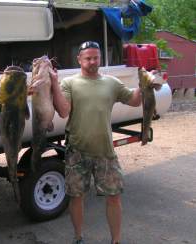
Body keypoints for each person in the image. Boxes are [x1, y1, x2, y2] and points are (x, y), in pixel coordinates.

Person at [50, 41, 142, 244]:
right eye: (88, 58)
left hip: (105, 152)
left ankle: (116, 240)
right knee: (76, 197)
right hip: (77, 151)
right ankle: (78, 237)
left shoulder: (111, 82)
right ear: (79, 60)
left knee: (114, 197)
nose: (93, 62)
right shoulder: (69, 83)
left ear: (100, 58)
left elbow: (134, 100)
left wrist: (146, 85)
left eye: (96, 57)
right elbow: (64, 111)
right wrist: (55, 83)